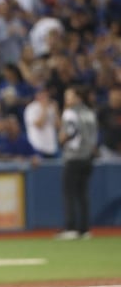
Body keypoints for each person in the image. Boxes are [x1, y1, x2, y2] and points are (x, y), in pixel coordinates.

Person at [55, 86, 98, 240]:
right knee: (83, 194)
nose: (67, 99)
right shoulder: (90, 113)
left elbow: (67, 133)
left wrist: (61, 138)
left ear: (78, 97)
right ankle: (84, 229)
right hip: (87, 158)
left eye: (69, 96)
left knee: (69, 193)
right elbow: (94, 138)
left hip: (73, 157)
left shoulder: (69, 113)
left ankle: (71, 228)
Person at [23, 86, 60, 158]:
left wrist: (56, 111)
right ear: (36, 95)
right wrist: (44, 108)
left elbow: (58, 126)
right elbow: (39, 125)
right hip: (37, 146)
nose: (44, 96)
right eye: (41, 94)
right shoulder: (31, 108)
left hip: (51, 147)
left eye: (45, 94)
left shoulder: (51, 107)